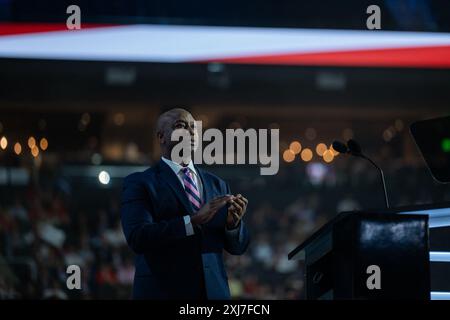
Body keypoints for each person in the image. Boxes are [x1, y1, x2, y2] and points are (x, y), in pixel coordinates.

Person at [120, 108, 250, 299]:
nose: (190, 132)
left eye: (193, 127)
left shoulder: (218, 184)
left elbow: (238, 247)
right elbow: (138, 238)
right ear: (161, 137)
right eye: (180, 126)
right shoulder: (140, 183)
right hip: (163, 292)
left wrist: (233, 225)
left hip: (213, 293)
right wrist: (192, 221)